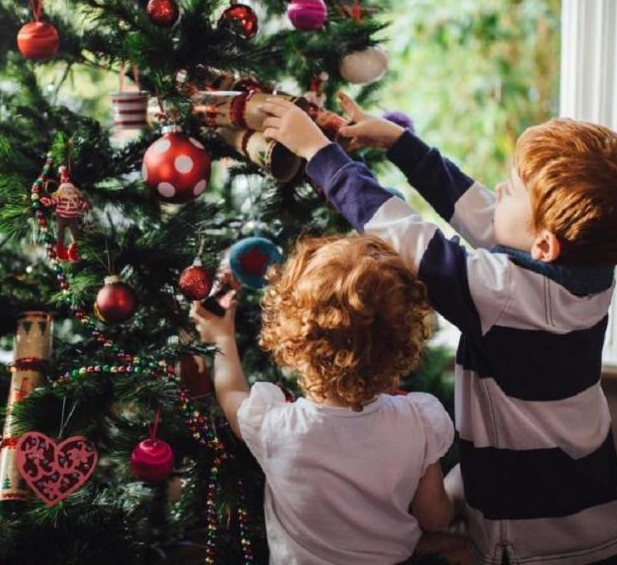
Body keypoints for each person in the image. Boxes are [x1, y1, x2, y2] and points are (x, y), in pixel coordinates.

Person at [257, 93, 617, 565]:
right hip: (612, 522)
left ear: (545, 244)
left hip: (555, 546)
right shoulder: (584, 274)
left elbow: (407, 237)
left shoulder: (505, 296)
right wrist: (401, 144)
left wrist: (320, 156)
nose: (496, 190)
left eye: (510, 191)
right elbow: (480, 213)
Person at [191, 234, 455, 565]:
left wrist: (221, 336)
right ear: (400, 344)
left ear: (293, 342)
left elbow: (230, 392)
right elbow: (434, 518)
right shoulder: (419, 421)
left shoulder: (276, 426)